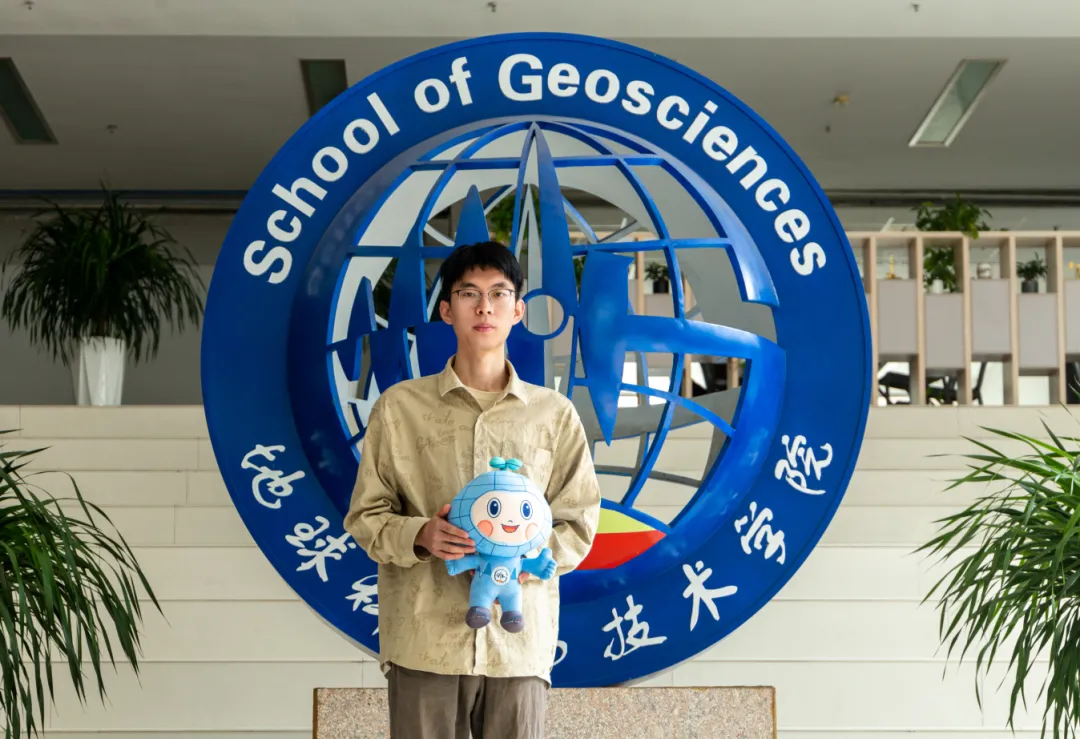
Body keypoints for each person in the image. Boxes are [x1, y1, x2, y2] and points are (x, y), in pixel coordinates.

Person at [344, 241, 602, 739]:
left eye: (499, 293)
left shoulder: (553, 415)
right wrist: (421, 535)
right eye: (468, 293)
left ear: (518, 310)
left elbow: (579, 521)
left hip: (518, 646)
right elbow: (365, 516)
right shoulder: (399, 408)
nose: (485, 307)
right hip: (425, 639)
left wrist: (523, 556)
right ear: (446, 310)